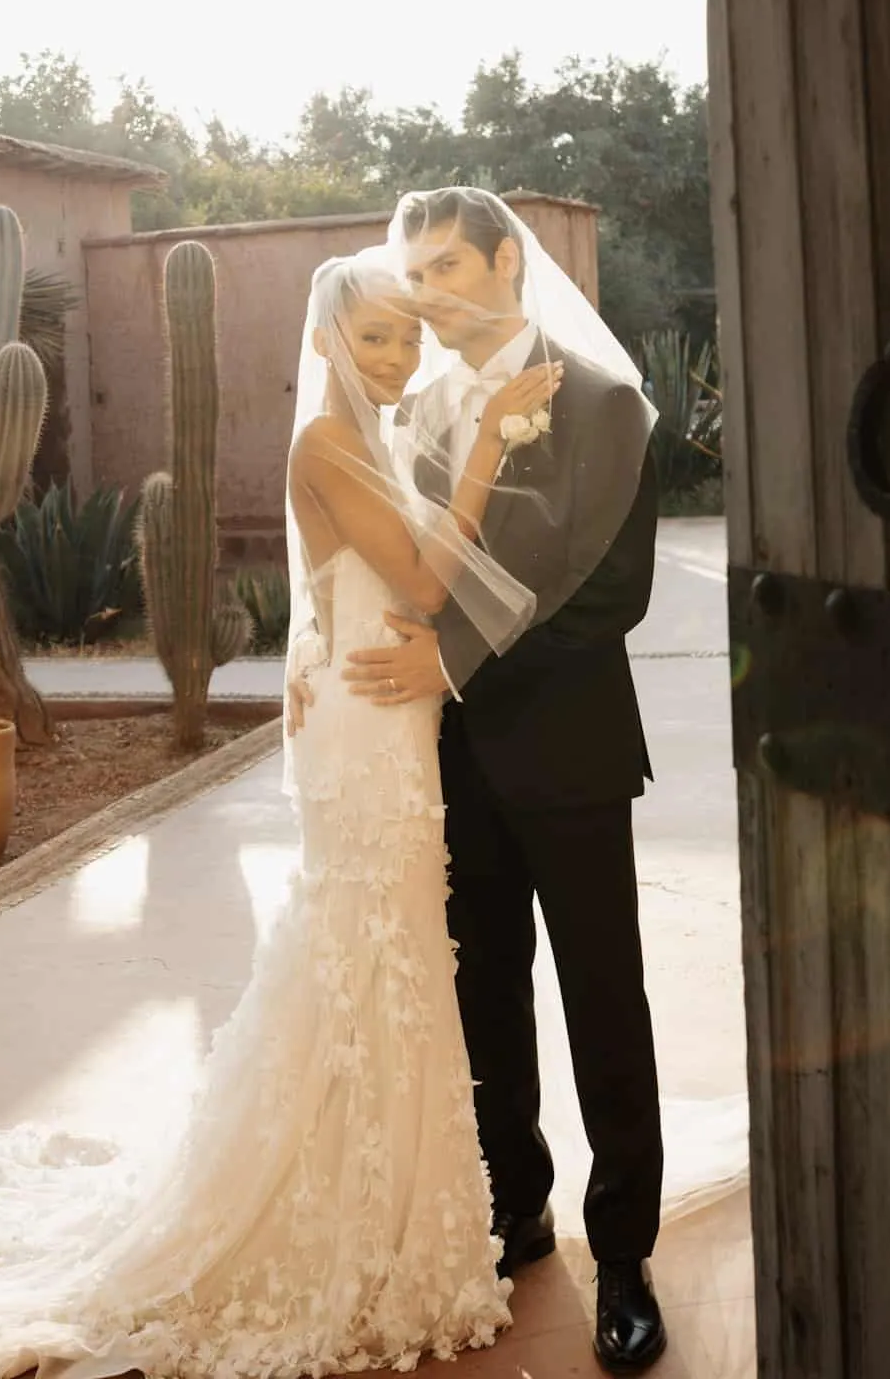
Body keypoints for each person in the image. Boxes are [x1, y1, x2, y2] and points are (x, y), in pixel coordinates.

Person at [0, 249, 560, 1379]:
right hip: (369, 733)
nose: (398, 356)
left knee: (394, 953)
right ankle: (352, 1221)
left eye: (408, 336)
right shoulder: (326, 442)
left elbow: (349, 580)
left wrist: (320, 643)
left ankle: (397, 1210)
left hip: (376, 710)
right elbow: (429, 579)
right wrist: (491, 445)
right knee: (374, 951)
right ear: (326, 344)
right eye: (375, 339)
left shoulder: (374, 437)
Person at [334, 190, 670, 1376]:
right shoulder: (417, 406)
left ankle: (624, 1254)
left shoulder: (605, 399)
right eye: (412, 268)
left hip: (570, 753)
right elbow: (407, 568)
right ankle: (515, 1209)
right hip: (449, 761)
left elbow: (612, 591)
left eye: (448, 264)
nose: (427, 289)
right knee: (483, 1000)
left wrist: (450, 652)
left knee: (604, 1002)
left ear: (507, 261)